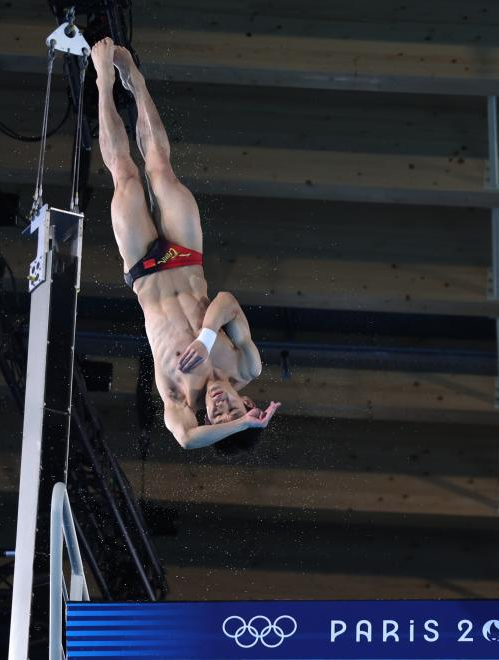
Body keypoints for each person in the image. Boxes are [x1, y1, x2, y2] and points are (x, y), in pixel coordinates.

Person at [90, 37, 280, 452]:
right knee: (160, 171)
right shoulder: (246, 364)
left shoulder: (178, 397)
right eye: (233, 408)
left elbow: (187, 441)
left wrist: (239, 425)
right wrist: (206, 339)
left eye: (219, 416)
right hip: (184, 254)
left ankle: (103, 79)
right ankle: (136, 83)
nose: (219, 406)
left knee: (125, 177)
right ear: (246, 400)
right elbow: (227, 300)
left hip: (144, 270)